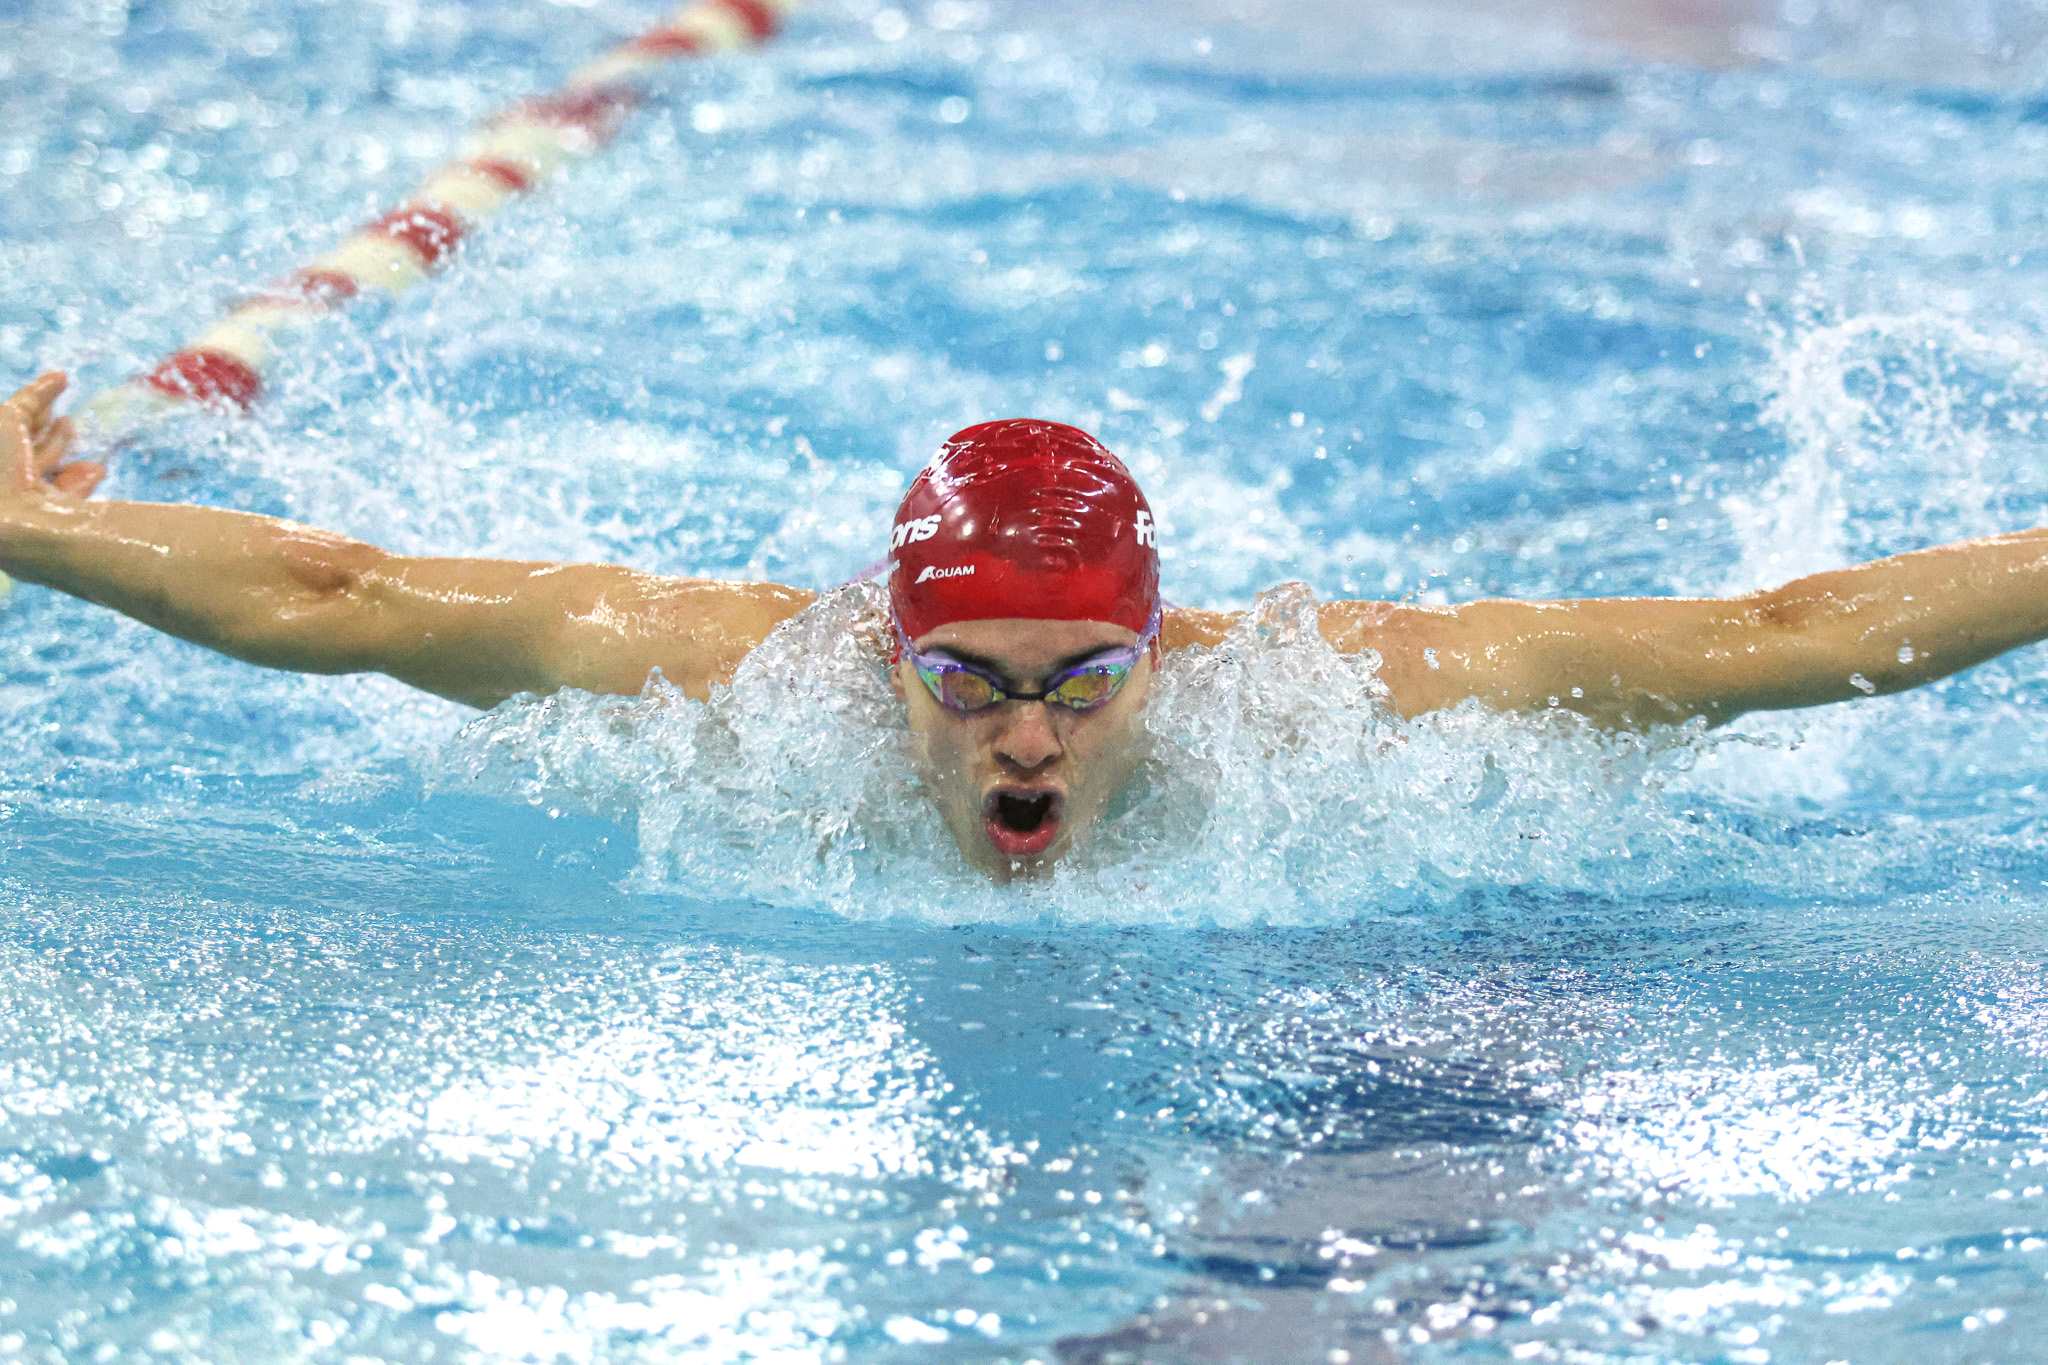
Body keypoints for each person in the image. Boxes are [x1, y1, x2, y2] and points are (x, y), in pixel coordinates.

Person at [4, 370, 2046, 878]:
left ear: (1163, 652)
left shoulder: (1311, 704)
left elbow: (1781, 632)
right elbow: (351, 595)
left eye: (1085, 684)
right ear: (884, 652)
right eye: (965, 683)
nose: (1030, 741)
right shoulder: (755, 681)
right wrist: (31, 536)